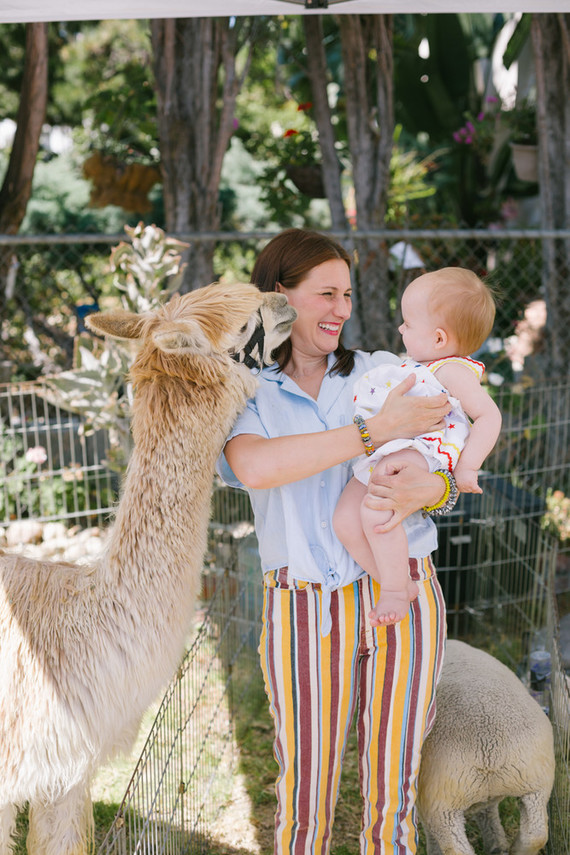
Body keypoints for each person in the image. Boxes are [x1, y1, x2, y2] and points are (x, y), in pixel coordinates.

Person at [218, 228, 456, 855]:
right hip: (303, 605)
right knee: (305, 790)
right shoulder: (245, 391)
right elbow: (257, 469)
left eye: (347, 295)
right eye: (326, 294)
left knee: (394, 783)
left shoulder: (381, 371)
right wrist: (374, 431)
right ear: (279, 298)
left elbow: (445, 458)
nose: (343, 310)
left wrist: (432, 486)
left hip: (402, 589)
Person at [333, 268, 502, 627]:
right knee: (346, 521)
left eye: (408, 323)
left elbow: (489, 416)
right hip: (386, 448)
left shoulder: (452, 370)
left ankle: (394, 590)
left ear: (439, 338)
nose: (401, 329)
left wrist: (467, 467)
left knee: (376, 510)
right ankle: (393, 579)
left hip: (419, 450)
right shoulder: (417, 363)